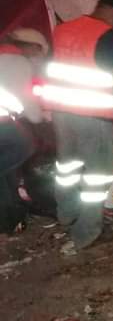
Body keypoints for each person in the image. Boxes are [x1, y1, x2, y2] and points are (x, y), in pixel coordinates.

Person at [37, 0, 113, 249]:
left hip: (62, 109)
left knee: (68, 166)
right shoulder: (107, 35)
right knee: (98, 175)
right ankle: (87, 232)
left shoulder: (63, 29)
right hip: (90, 113)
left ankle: (66, 213)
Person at [0, 29, 49, 232]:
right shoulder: (18, 63)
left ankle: (12, 215)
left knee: (8, 170)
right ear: (31, 47)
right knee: (24, 147)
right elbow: (28, 104)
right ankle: (10, 216)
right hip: (4, 125)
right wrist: (41, 118)